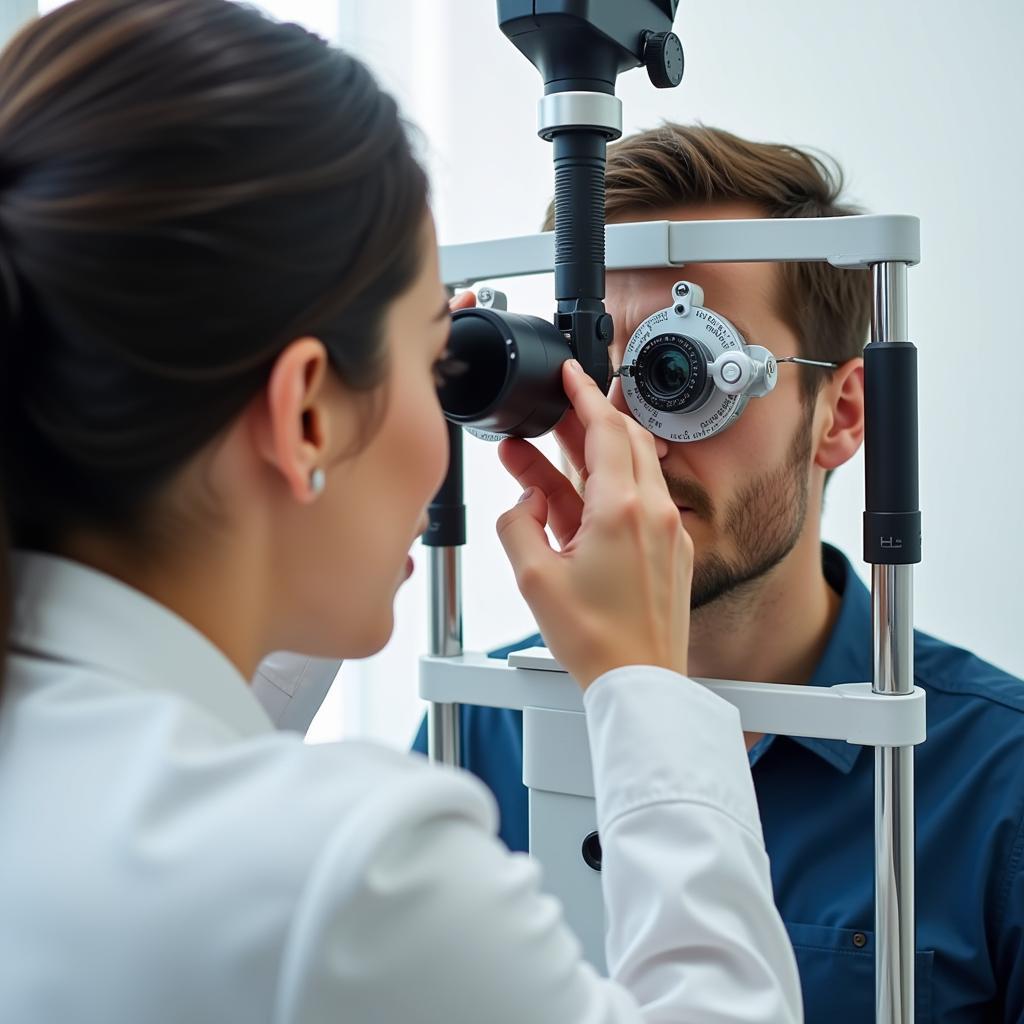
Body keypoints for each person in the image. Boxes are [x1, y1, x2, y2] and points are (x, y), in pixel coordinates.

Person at [0, 3, 804, 1022]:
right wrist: (643, 683)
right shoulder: (353, 872)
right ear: (303, 413)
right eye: (435, 361)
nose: (444, 430)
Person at [414, 124, 1024, 1022]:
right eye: (588, 373)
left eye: (679, 366)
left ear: (841, 413)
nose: (627, 435)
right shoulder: (475, 733)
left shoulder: (996, 786)